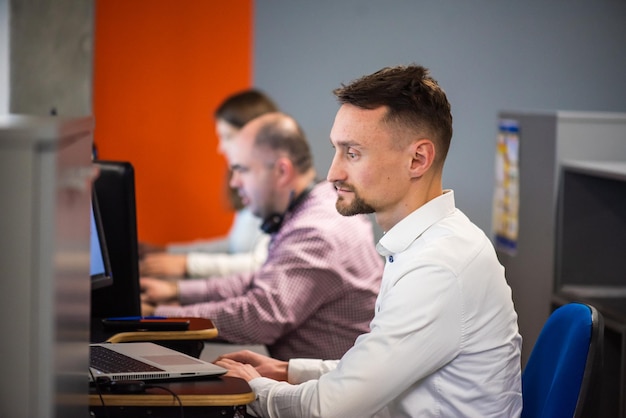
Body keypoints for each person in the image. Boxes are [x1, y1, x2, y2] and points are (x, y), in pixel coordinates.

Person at [214, 64, 523, 417]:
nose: (333, 173)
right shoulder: (425, 244)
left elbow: (329, 409)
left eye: (353, 153)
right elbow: (376, 371)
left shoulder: (438, 268)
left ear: (418, 159)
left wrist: (250, 389)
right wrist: (287, 371)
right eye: (336, 150)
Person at [140, 112, 384, 361]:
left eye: (241, 170)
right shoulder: (318, 203)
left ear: (281, 171)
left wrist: (160, 316)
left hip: (328, 392)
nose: (234, 183)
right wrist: (175, 292)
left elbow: (258, 317)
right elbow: (264, 279)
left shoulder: (315, 230)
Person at [139, 89, 278, 278]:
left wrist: (186, 266)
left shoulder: (276, 191)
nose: (220, 148)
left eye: (228, 137)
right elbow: (234, 246)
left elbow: (263, 264)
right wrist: (167, 252)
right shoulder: (252, 188)